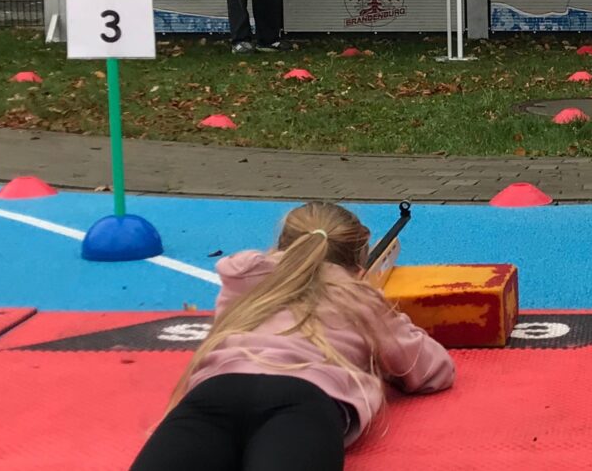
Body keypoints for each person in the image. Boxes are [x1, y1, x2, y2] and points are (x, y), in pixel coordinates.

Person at [130, 202, 455, 471]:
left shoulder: (243, 279)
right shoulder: (358, 297)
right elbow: (430, 369)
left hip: (216, 391)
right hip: (304, 401)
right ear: (358, 261)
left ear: (280, 245)